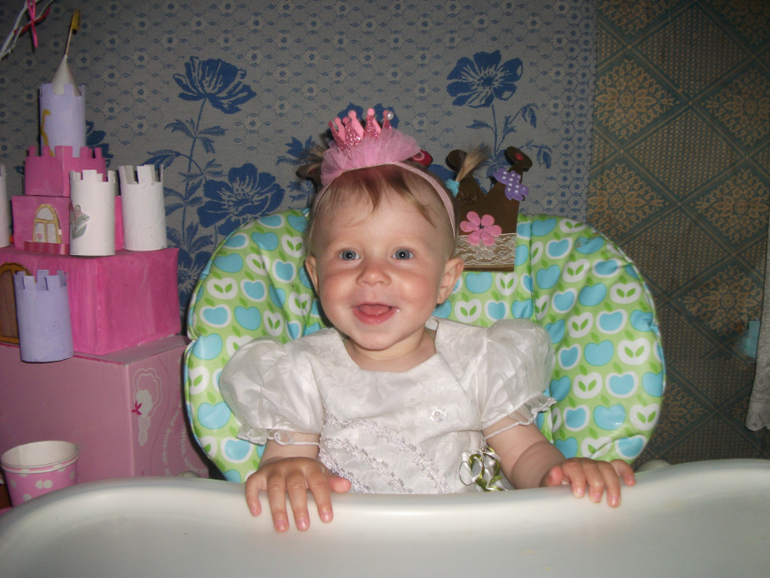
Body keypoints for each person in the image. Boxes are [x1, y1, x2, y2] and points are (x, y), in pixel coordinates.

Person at [220, 107, 635, 533]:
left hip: (472, 542)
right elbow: (288, 459)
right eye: (348, 254)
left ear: (446, 280)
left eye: (402, 254)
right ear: (315, 275)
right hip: (349, 546)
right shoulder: (303, 371)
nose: (372, 274)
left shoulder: (480, 360)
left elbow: (526, 455)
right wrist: (288, 472)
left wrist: (559, 475)